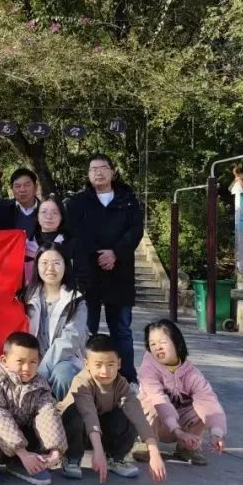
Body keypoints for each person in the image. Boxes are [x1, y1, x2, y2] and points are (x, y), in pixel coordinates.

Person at [64, 153, 143, 384]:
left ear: (112, 172)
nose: (98, 172)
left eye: (103, 168)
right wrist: (97, 255)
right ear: (88, 174)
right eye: (93, 169)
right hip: (88, 276)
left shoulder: (128, 200)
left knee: (122, 330)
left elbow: (135, 231)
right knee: (86, 329)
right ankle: (86, 377)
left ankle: (127, 378)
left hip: (120, 274)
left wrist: (115, 253)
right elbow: (74, 233)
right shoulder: (78, 202)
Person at [59, 334, 166, 484]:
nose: (105, 371)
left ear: (119, 363)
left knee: (129, 413)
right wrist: (97, 451)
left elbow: (138, 416)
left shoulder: (121, 384)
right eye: (98, 365)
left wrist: (154, 452)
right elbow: (89, 415)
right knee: (74, 413)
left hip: (101, 431)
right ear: (86, 364)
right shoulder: (81, 382)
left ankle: (115, 458)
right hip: (79, 432)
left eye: (110, 364)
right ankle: (72, 458)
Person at [0, 331, 66, 485]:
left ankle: (21, 463)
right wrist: (22, 451)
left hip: (21, 439)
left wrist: (55, 451)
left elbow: (47, 414)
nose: (27, 368)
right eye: (20, 361)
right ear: (4, 360)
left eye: (33, 362)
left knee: (44, 425)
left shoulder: (40, 384)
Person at [136, 319, 227, 466]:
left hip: (181, 426)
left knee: (202, 408)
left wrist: (217, 433)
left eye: (163, 342)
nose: (158, 347)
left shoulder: (192, 373)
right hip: (158, 425)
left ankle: (188, 447)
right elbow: (158, 398)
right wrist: (178, 431)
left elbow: (208, 401)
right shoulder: (148, 369)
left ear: (177, 343)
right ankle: (147, 444)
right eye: (152, 344)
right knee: (152, 404)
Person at [21, 245, 88, 401]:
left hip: (64, 360)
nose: (50, 268)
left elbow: (71, 338)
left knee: (63, 374)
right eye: (44, 263)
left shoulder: (76, 300)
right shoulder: (25, 297)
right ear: (36, 266)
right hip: (30, 358)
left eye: (57, 263)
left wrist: (42, 369)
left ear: (66, 266)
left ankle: (63, 413)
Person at [0, 166, 41, 236]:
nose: (22, 190)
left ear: (35, 187)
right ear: (12, 189)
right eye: (17, 186)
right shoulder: (1, 208)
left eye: (27, 185)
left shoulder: (46, 210)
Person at [24, 195, 70, 283]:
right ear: (37, 216)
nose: (49, 216)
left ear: (61, 217)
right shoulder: (27, 246)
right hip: (31, 291)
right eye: (44, 212)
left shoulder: (71, 244)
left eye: (55, 212)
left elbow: (81, 277)